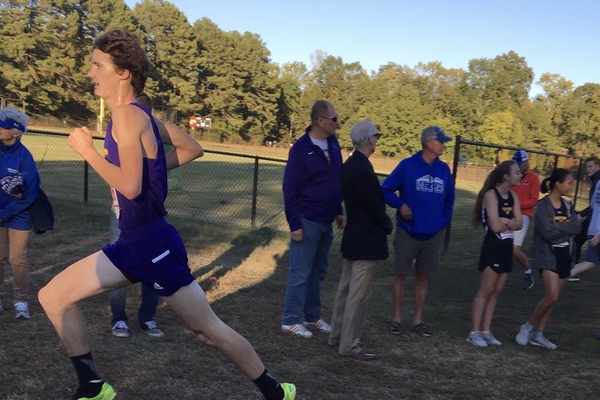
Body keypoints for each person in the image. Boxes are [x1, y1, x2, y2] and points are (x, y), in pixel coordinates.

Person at [38, 30, 295, 400]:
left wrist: (87, 152)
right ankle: (92, 386)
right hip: (131, 245)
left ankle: (273, 390)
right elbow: (192, 147)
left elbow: (129, 186)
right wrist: (152, 172)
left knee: (207, 330)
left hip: (153, 246)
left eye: (97, 65)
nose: (90, 72)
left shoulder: (126, 117)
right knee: (54, 296)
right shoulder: (143, 116)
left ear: (123, 72)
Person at [108, 92, 189, 339]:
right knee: (117, 267)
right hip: (121, 215)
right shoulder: (119, 132)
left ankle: (147, 318)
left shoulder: (156, 136)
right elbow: (119, 177)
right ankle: (119, 318)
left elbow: (185, 160)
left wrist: (152, 174)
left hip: (150, 217)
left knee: (153, 268)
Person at [381, 126, 455, 337]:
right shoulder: (407, 166)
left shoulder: (444, 170)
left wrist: (443, 220)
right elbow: (385, 189)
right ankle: (396, 320)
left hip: (433, 233)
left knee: (423, 277)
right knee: (401, 274)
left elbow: (450, 199)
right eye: (441, 141)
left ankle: (417, 321)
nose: (443, 145)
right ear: (429, 143)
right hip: (408, 231)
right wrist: (401, 205)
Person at [328, 120, 393, 361]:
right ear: (368, 140)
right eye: (375, 136)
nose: (377, 140)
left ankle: (336, 336)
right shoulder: (363, 169)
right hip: (366, 239)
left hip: (354, 236)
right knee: (358, 294)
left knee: (345, 290)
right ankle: (350, 345)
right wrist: (387, 224)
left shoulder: (349, 166)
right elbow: (374, 206)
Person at [281, 100, 344, 339]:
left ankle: (312, 315)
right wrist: (294, 224)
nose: (337, 123)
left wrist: (338, 209)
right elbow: (289, 188)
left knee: (319, 272)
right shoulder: (301, 148)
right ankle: (290, 319)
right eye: (334, 119)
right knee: (300, 273)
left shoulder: (334, 144)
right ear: (320, 121)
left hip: (327, 220)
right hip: (306, 219)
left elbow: (334, 180)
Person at [516, 169, 581, 350]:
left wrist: (560, 225)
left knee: (554, 298)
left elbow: (577, 227)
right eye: (568, 182)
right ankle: (528, 327)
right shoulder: (544, 206)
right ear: (558, 184)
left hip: (564, 255)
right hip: (547, 255)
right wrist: (565, 228)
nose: (570, 186)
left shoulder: (567, 206)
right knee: (551, 296)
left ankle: (538, 334)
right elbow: (549, 233)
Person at [466, 160, 523, 347]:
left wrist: (505, 220)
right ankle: (474, 333)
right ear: (506, 176)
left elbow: (520, 223)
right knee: (486, 290)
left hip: (507, 248)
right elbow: (495, 226)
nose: (520, 175)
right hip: (492, 247)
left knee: (496, 291)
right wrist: (509, 222)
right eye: (516, 172)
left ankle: (486, 331)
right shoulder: (491, 196)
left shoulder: (513, 196)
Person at [0, 107, 41, 318]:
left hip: (19, 216)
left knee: (17, 259)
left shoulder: (25, 157)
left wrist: (4, 214)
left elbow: (29, 194)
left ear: (16, 132)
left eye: (4, 127)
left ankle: (21, 302)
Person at [511, 150, 540, 289]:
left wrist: (517, 206)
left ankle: (528, 272)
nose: (519, 167)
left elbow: (534, 200)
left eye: (520, 164)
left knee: (514, 249)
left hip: (523, 215)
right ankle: (499, 275)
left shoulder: (533, 178)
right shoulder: (514, 175)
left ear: (527, 162)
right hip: (509, 213)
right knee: (503, 245)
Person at [570, 156, 600, 281]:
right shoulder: (598, 180)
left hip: (594, 228)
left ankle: (563, 273)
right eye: (586, 166)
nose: (587, 169)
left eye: (590, 166)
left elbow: (594, 205)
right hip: (596, 231)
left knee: (590, 261)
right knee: (590, 261)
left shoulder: (597, 181)